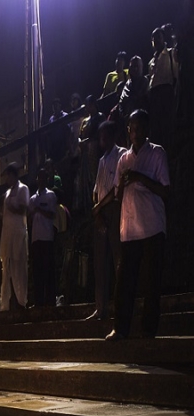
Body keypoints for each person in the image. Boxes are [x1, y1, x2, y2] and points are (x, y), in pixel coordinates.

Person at [107, 110, 171, 341]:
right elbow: (117, 194)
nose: (135, 132)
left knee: (151, 280)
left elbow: (165, 190)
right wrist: (124, 183)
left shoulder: (157, 153)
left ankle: (148, 329)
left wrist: (140, 178)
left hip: (152, 225)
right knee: (124, 281)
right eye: (131, 128)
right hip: (130, 228)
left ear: (147, 129)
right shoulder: (123, 159)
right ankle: (120, 328)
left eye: (139, 128)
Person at [88, 120, 127, 321]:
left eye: (105, 136)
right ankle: (100, 308)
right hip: (101, 213)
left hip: (114, 209)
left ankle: (121, 306)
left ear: (112, 136)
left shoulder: (121, 154)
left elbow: (116, 188)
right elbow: (96, 189)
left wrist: (100, 207)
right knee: (100, 263)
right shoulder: (102, 160)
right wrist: (97, 212)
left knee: (118, 259)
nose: (102, 140)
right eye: (100, 136)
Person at [0, 162, 30, 311]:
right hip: (7, 235)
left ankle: (22, 302)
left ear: (13, 175)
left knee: (19, 268)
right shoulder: (7, 193)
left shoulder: (23, 189)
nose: (6, 179)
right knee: (6, 269)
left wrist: (13, 208)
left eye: (7, 176)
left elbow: (24, 209)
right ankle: (4, 305)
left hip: (18, 234)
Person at [28, 169, 58, 307]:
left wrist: (39, 209)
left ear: (46, 180)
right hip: (36, 239)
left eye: (43, 178)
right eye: (38, 178)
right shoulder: (32, 199)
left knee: (48, 271)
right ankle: (39, 301)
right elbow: (30, 216)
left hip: (47, 238)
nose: (40, 180)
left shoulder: (50, 195)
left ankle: (50, 300)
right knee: (37, 271)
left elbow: (52, 215)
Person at [149, 27, 180, 150]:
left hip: (166, 92)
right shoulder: (151, 61)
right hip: (154, 94)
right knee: (157, 128)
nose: (156, 41)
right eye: (154, 39)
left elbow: (176, 74)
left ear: (163, 39)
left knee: (168, 125)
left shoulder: (171, 53)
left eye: (158, 37)